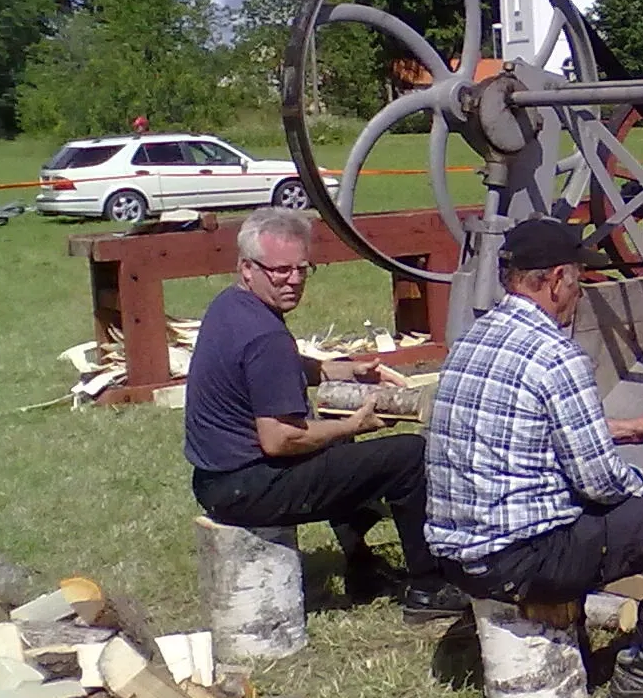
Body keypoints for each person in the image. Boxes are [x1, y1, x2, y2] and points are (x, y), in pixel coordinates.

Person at [424, 217, 643, 698]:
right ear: (554, 280)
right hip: (522, 558)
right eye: (577, 280)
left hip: (455, 557)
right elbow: (601, 483)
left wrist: (625, 427)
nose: (578, 292)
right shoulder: (556, 354)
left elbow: (524, 427)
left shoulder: (475, 337)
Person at [184, 207, 466, 621]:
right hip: (248, 488)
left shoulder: (230, 308)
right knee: (408, 456)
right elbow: (280, 439)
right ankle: (428, 588)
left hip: (214, 479)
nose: (293, 280)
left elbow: (280, 367)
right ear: (247, 268)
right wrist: (353, 423)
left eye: (302, 269)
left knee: (344, 448)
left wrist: (346, 370)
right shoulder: (265, 335)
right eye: (279, 271)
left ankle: (361, 565)